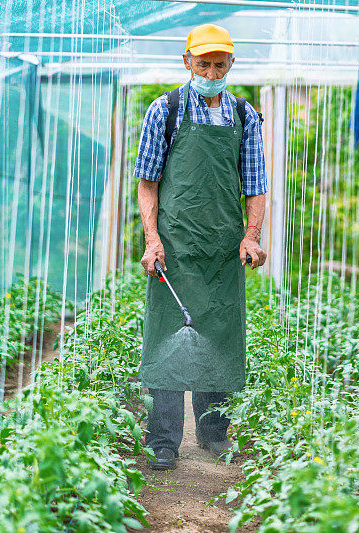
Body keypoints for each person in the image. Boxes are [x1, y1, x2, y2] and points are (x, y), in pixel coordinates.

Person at [133, 23, 268, 471]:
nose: (211, 72)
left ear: (232, 64)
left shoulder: (245, 116)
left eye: (220, 64)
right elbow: (148, 184)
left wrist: (251, 236)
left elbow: (255, 185)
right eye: (204, 63)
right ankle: (164, 440)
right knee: (168, 337)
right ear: (186, 61)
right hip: (174, 244)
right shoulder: (164, 110)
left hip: (222, 248)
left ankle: (214, 434)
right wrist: (152, 240)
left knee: (219, 334)